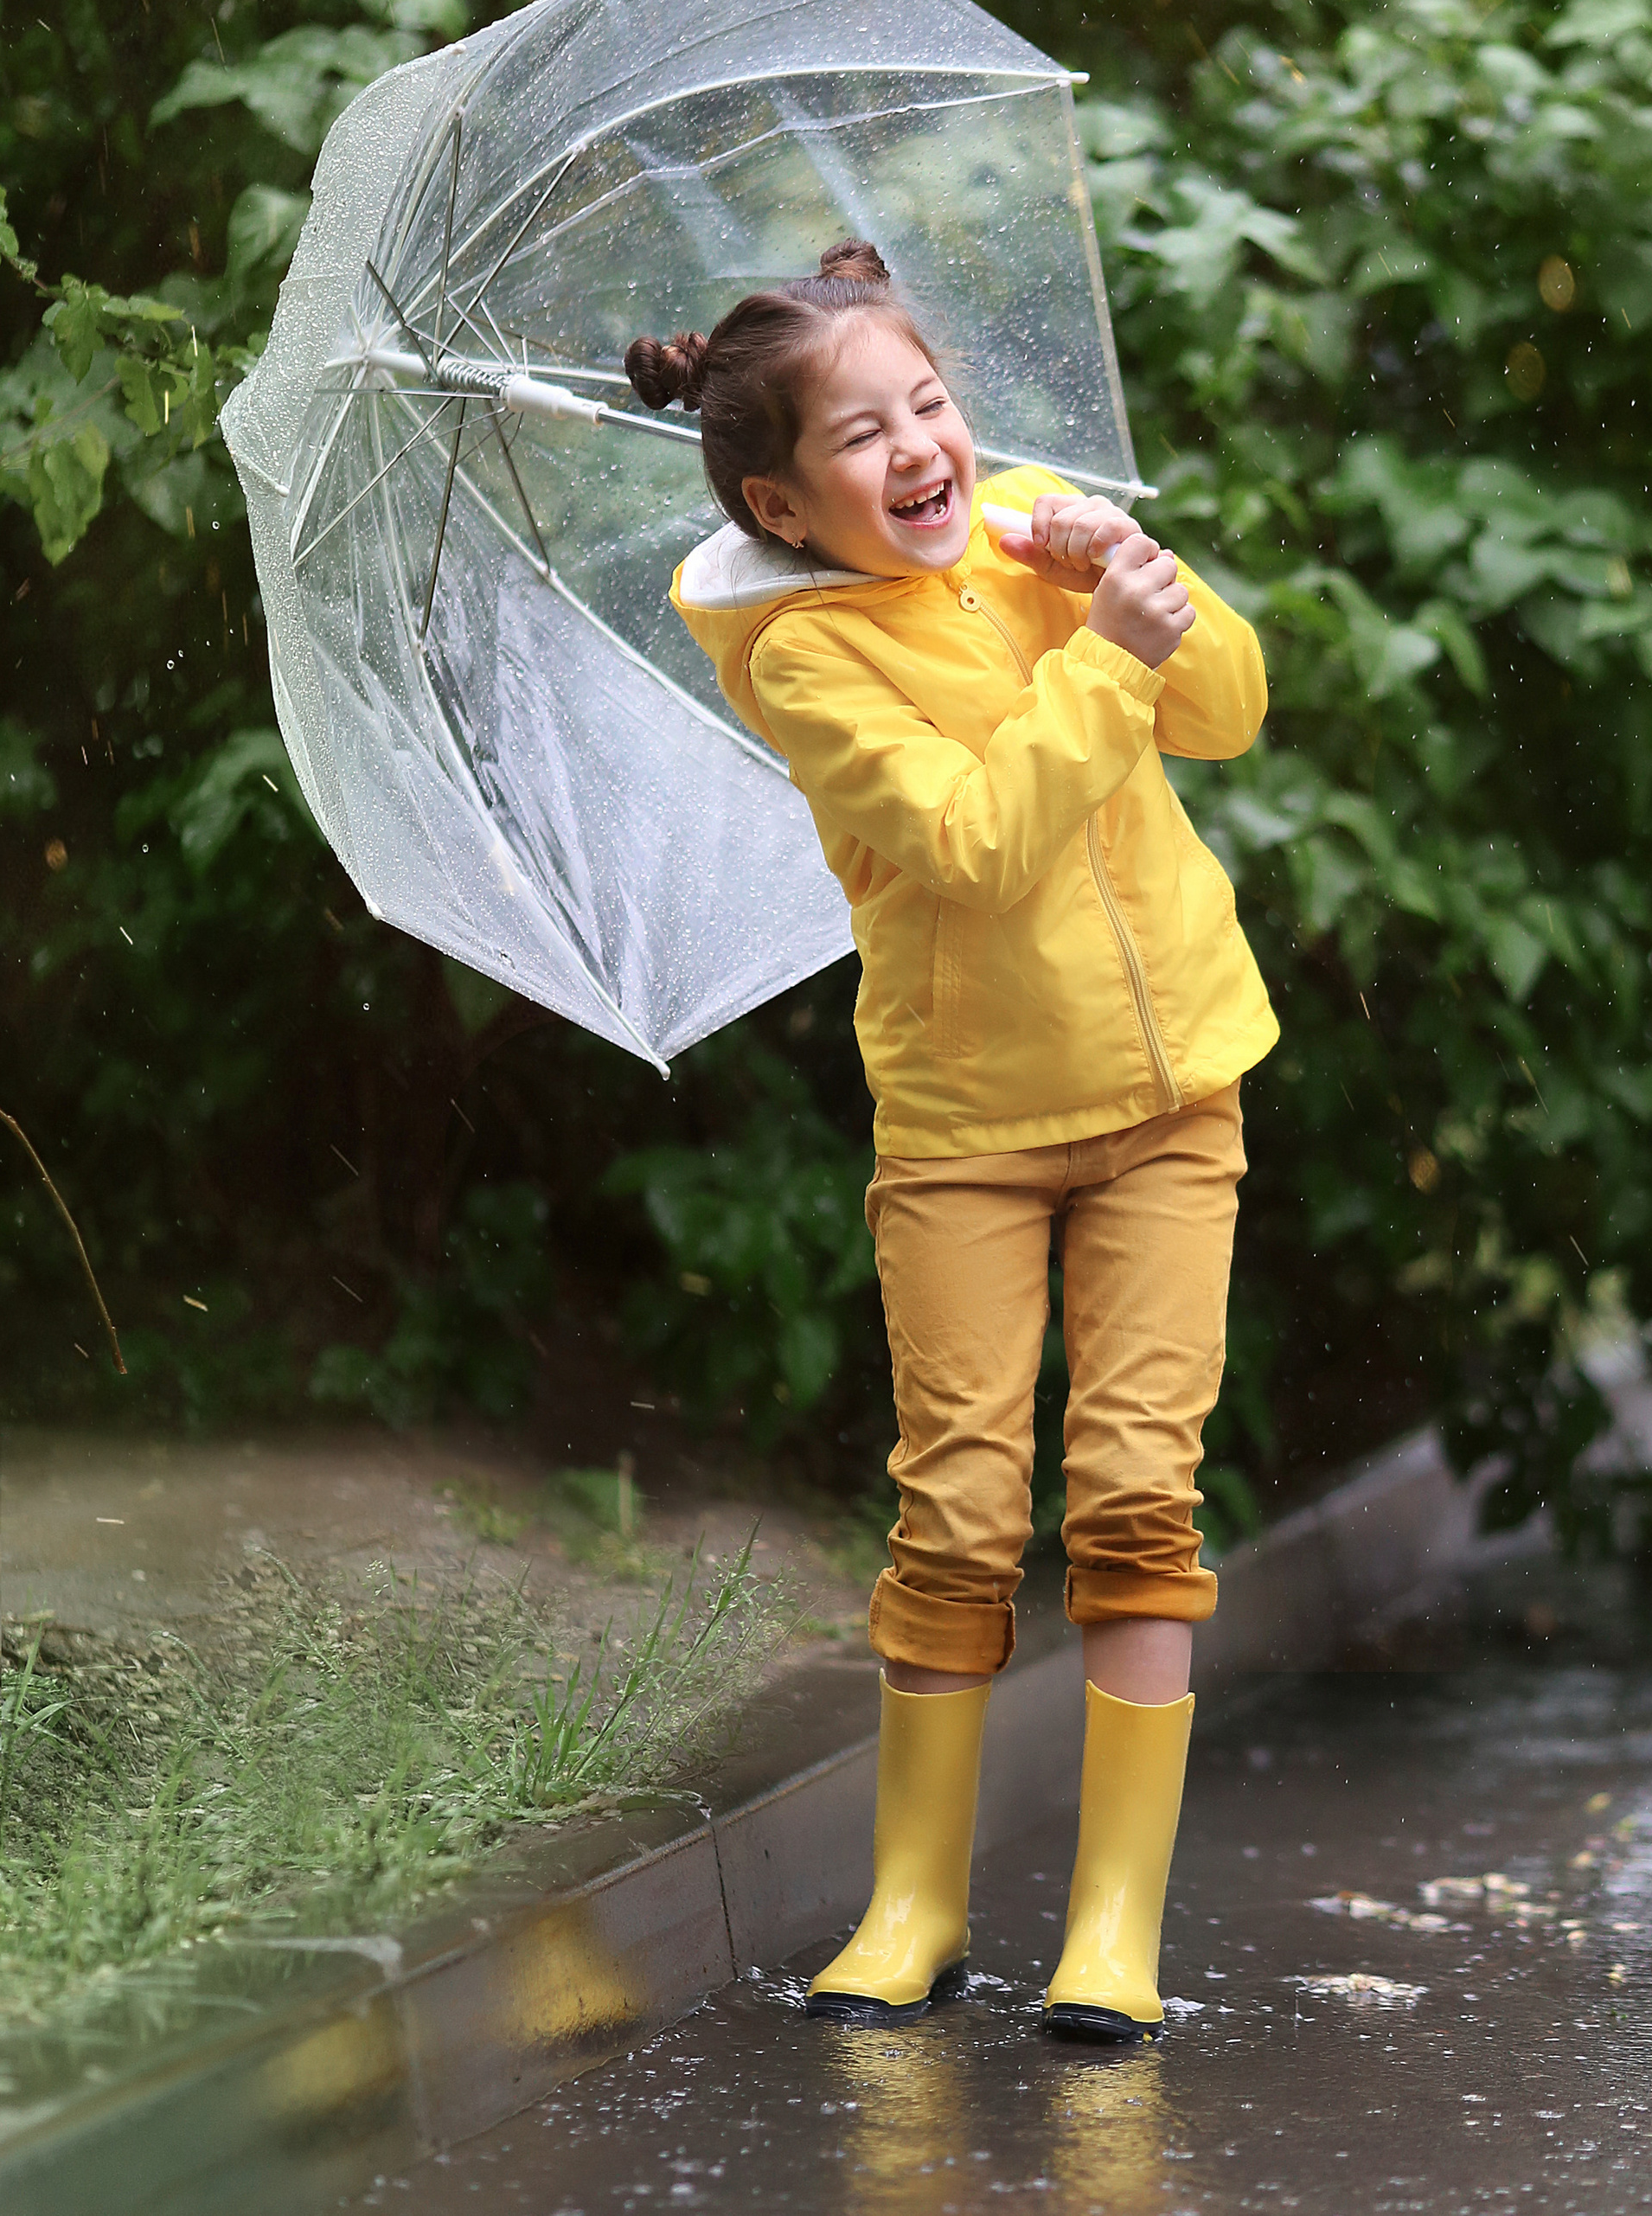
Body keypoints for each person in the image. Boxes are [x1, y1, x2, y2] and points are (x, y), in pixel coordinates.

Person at [628, 239, 1276, 2044]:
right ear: (780, 498)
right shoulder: (806, 661)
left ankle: (1115, 1932)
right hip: (971, 1129)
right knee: (962, 1508)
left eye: (931, 404)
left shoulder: (1040, 536)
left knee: (1143, 1496)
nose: (922, 446)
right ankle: (914, 1909)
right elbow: (977, 842)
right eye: (863, 434)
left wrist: (1142, 583)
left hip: (1169, 1101)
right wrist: (1103, 669)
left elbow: (1226, 705)